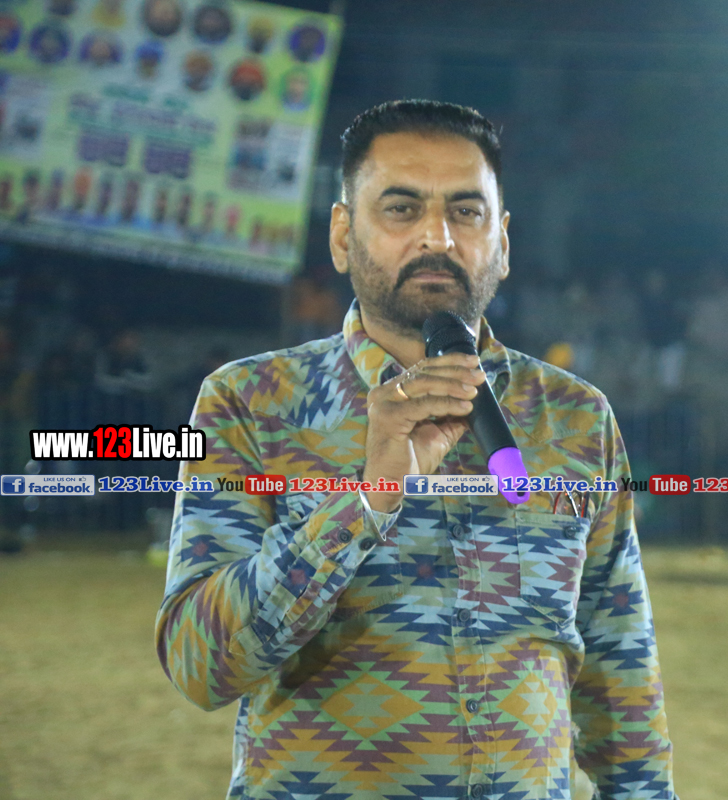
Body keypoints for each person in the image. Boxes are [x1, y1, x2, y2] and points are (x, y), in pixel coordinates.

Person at [154, 100, 676, 800]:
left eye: (466, 211)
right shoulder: (251, 402)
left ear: (503, 242)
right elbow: (199, 664)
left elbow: (621, 668)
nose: (438, 236)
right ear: (343, 235)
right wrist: (365, 501)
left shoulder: (576, 417)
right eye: (401, 209)